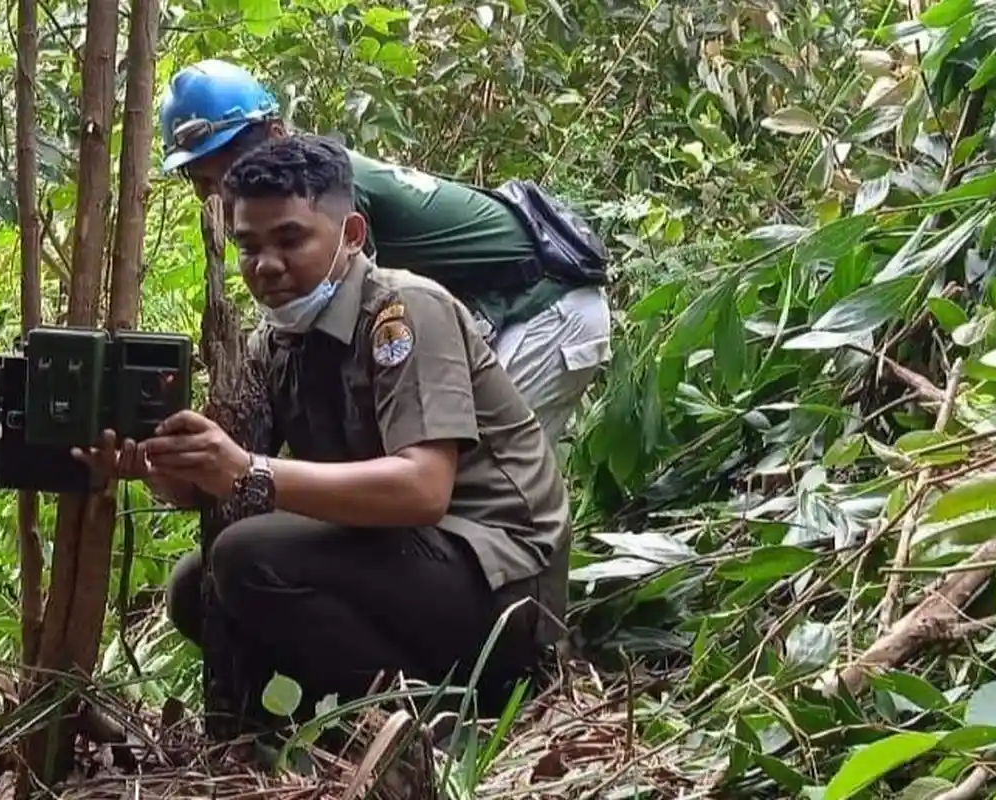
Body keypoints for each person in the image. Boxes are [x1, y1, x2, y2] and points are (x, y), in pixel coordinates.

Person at [76, 134, 572, 724]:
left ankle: (433, 723)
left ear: (352, 236)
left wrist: (249, 471)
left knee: (244, 555)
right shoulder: (276, 343)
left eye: (290, 239)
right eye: (248, 246)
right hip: (415, 562)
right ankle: (323, 729)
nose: (266, 265)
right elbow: (211, 484)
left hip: (507, 582)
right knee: (196, 585)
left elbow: (422, 489)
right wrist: (156, 466)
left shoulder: (406, 311)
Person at [157, 58, 613, 446]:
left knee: (469, 470)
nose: (223, 195)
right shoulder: (307, 188)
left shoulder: (324, 193)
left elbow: (349, 324)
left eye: (230, 172)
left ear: (276, 134)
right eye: (204, 184)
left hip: (543, 306)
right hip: (489, 309)